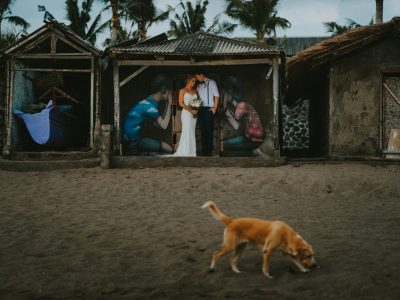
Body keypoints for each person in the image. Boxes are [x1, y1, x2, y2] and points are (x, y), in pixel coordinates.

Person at [122, 74, 173, 156]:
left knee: (166, 149)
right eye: (169, 93)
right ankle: (144, 154)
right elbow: (164, 125)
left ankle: (145, 154)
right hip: (134, 142)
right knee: (169, 150)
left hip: (132, 140)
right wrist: (170, 103)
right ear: (163, 90)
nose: (170, 96)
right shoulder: (149, 107)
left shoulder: (148, 102)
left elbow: (158, 125)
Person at [222, 75, 272, 157]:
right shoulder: (245, 105)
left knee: (224, 146)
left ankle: (253, 152)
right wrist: (229, 101)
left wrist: (225, 107)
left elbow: (236, 126)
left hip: (252, 140)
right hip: (252, 138)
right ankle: (254, 151)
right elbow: (234, 105)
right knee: (226, 146)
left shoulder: (242, 105)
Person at [168, 74, 199, 156]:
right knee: (187, 131)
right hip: (186, 113)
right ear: (188, 81)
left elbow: (195, 102)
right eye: (193, 81)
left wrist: (195, 110)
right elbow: (181, 103)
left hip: (194, 114)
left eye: (195, 81)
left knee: (192, 131)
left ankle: (192, 152)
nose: (194, 83)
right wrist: (190, 110)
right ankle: (185, 152)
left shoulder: (194, 91)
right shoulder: (182, 90)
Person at [195, 71, 219, 157]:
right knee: (202, 130)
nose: (197, 79)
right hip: (200, 109)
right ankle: (204, 150)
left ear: (201, 74)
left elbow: (216, 95)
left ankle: (209, 151)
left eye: (197, 77)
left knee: (209, 130)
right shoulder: (198, 85)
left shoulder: (211, 82)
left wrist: (214, 108)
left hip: (209, 109)